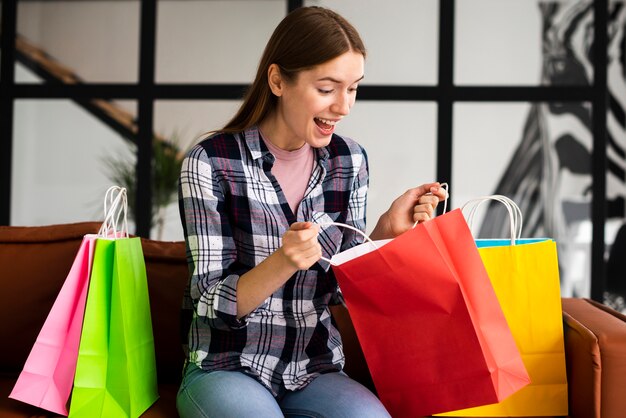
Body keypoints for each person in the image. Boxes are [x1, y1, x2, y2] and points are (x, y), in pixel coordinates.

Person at [176, 6, 446, 417]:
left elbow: (337, 289)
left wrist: (385, 233)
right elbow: (211, 305)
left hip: (314, 368)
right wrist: (283, 262)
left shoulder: (349, 161)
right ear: (278, 80)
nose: (344, 106)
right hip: (226, 366)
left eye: (353, 88)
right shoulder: (210, 162)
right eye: (327, 88)